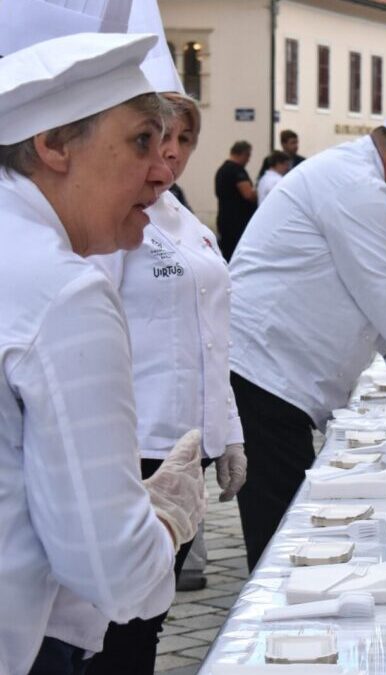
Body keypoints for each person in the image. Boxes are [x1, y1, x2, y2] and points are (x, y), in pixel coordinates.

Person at [228, 53, 386, 570]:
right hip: (265, 373)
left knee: (291, 519)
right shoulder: (358, 186)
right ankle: (277, 635)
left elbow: (365, 294)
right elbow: (384, 287)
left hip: (277, 372)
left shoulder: (359, 179)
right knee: (283, 532)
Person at [0, 32, 205, 674]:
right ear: (54, 145)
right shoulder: (64, 290)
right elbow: (115, 571)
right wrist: (169, 516)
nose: (164, 170)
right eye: (142, 140)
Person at [85, 81, 246, 675]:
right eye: (156, 138)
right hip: (137, 442)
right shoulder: (114, 218)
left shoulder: (183, 217)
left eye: (183, 138)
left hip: (186, 446)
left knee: (156, 612)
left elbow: (213, 335)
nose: (171, 152)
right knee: (121, 621)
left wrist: (226, 432)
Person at [214, 140, 256, 261]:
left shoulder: (222, 170)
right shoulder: (237, 170)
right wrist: (262, 192)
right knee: (238, 257)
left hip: (225, 220)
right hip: (237, 223)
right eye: (248, 156)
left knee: (228, 255)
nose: (249, 160)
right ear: (243, 154)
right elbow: (248, 194)